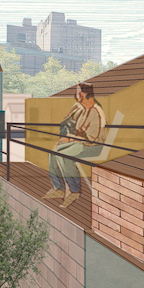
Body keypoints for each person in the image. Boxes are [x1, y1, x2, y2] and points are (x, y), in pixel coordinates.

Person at [44, 82, 106, 210]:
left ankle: (74, 191)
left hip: (93, 146)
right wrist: (65, 139)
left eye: (78, 92)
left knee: (64, 155)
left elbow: (91, 138)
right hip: (81, 142)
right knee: (54, 151)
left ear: (81, 94)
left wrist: (71, 139)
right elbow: (75, 129)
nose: (77, 95)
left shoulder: (95, 111)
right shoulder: (83, 109)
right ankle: (59, 188)